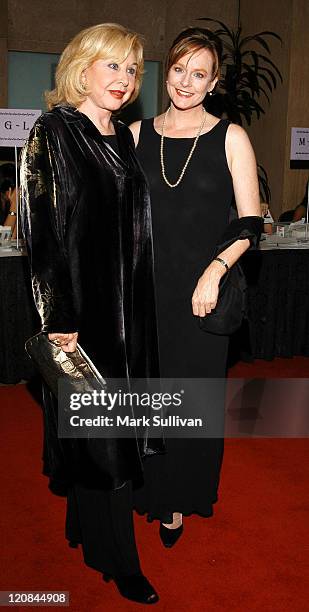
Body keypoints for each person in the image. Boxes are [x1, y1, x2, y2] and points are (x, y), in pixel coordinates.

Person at [20, 23, 161, 604]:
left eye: (132, 70)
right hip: (82, 314)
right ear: (82, 67)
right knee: (106, 438)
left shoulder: (123, 140)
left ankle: (83, 526)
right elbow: (40, 234)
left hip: (130, 310)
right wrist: (59, 315)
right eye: (113, 66)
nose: (125, 80)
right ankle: (119, 560)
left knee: (108, 430)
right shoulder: (51, 132)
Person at [130, 27, 262, 545]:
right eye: (179, 69)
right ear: (169, 73)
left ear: (214, 84)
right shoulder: (136, 134)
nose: (186, 81)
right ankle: (148, 489)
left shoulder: (231, 137)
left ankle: (179, 501)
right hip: (146, 294)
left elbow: (251, 221)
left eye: (199, 73)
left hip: (202, 297)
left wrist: (216, 268)